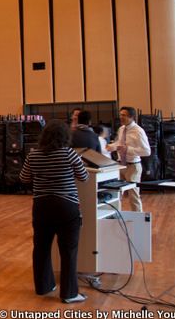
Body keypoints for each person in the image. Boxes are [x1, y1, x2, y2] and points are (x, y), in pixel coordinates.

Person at [19, 119, 89, 304]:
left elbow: (24, 177)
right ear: (65, 136)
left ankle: (43, 286)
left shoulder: (33, 155)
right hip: (67, 206)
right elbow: (84, 177)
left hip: (41, 205)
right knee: (68, 250)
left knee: (41, 247)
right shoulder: (69, 154)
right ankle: (69, 293)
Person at [106, 106, 151, 212]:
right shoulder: (121, 129)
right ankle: (117, 216)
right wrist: (112, 146)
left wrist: (128, 149)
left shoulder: (138, 131)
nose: (120, 117)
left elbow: (147, 151)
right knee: (116, 194)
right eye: (120, 114)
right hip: (120, 165)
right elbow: (120, 143)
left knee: (133, 196)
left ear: (131, 117)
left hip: (133, 166)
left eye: (124, 115)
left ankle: (138, 220)